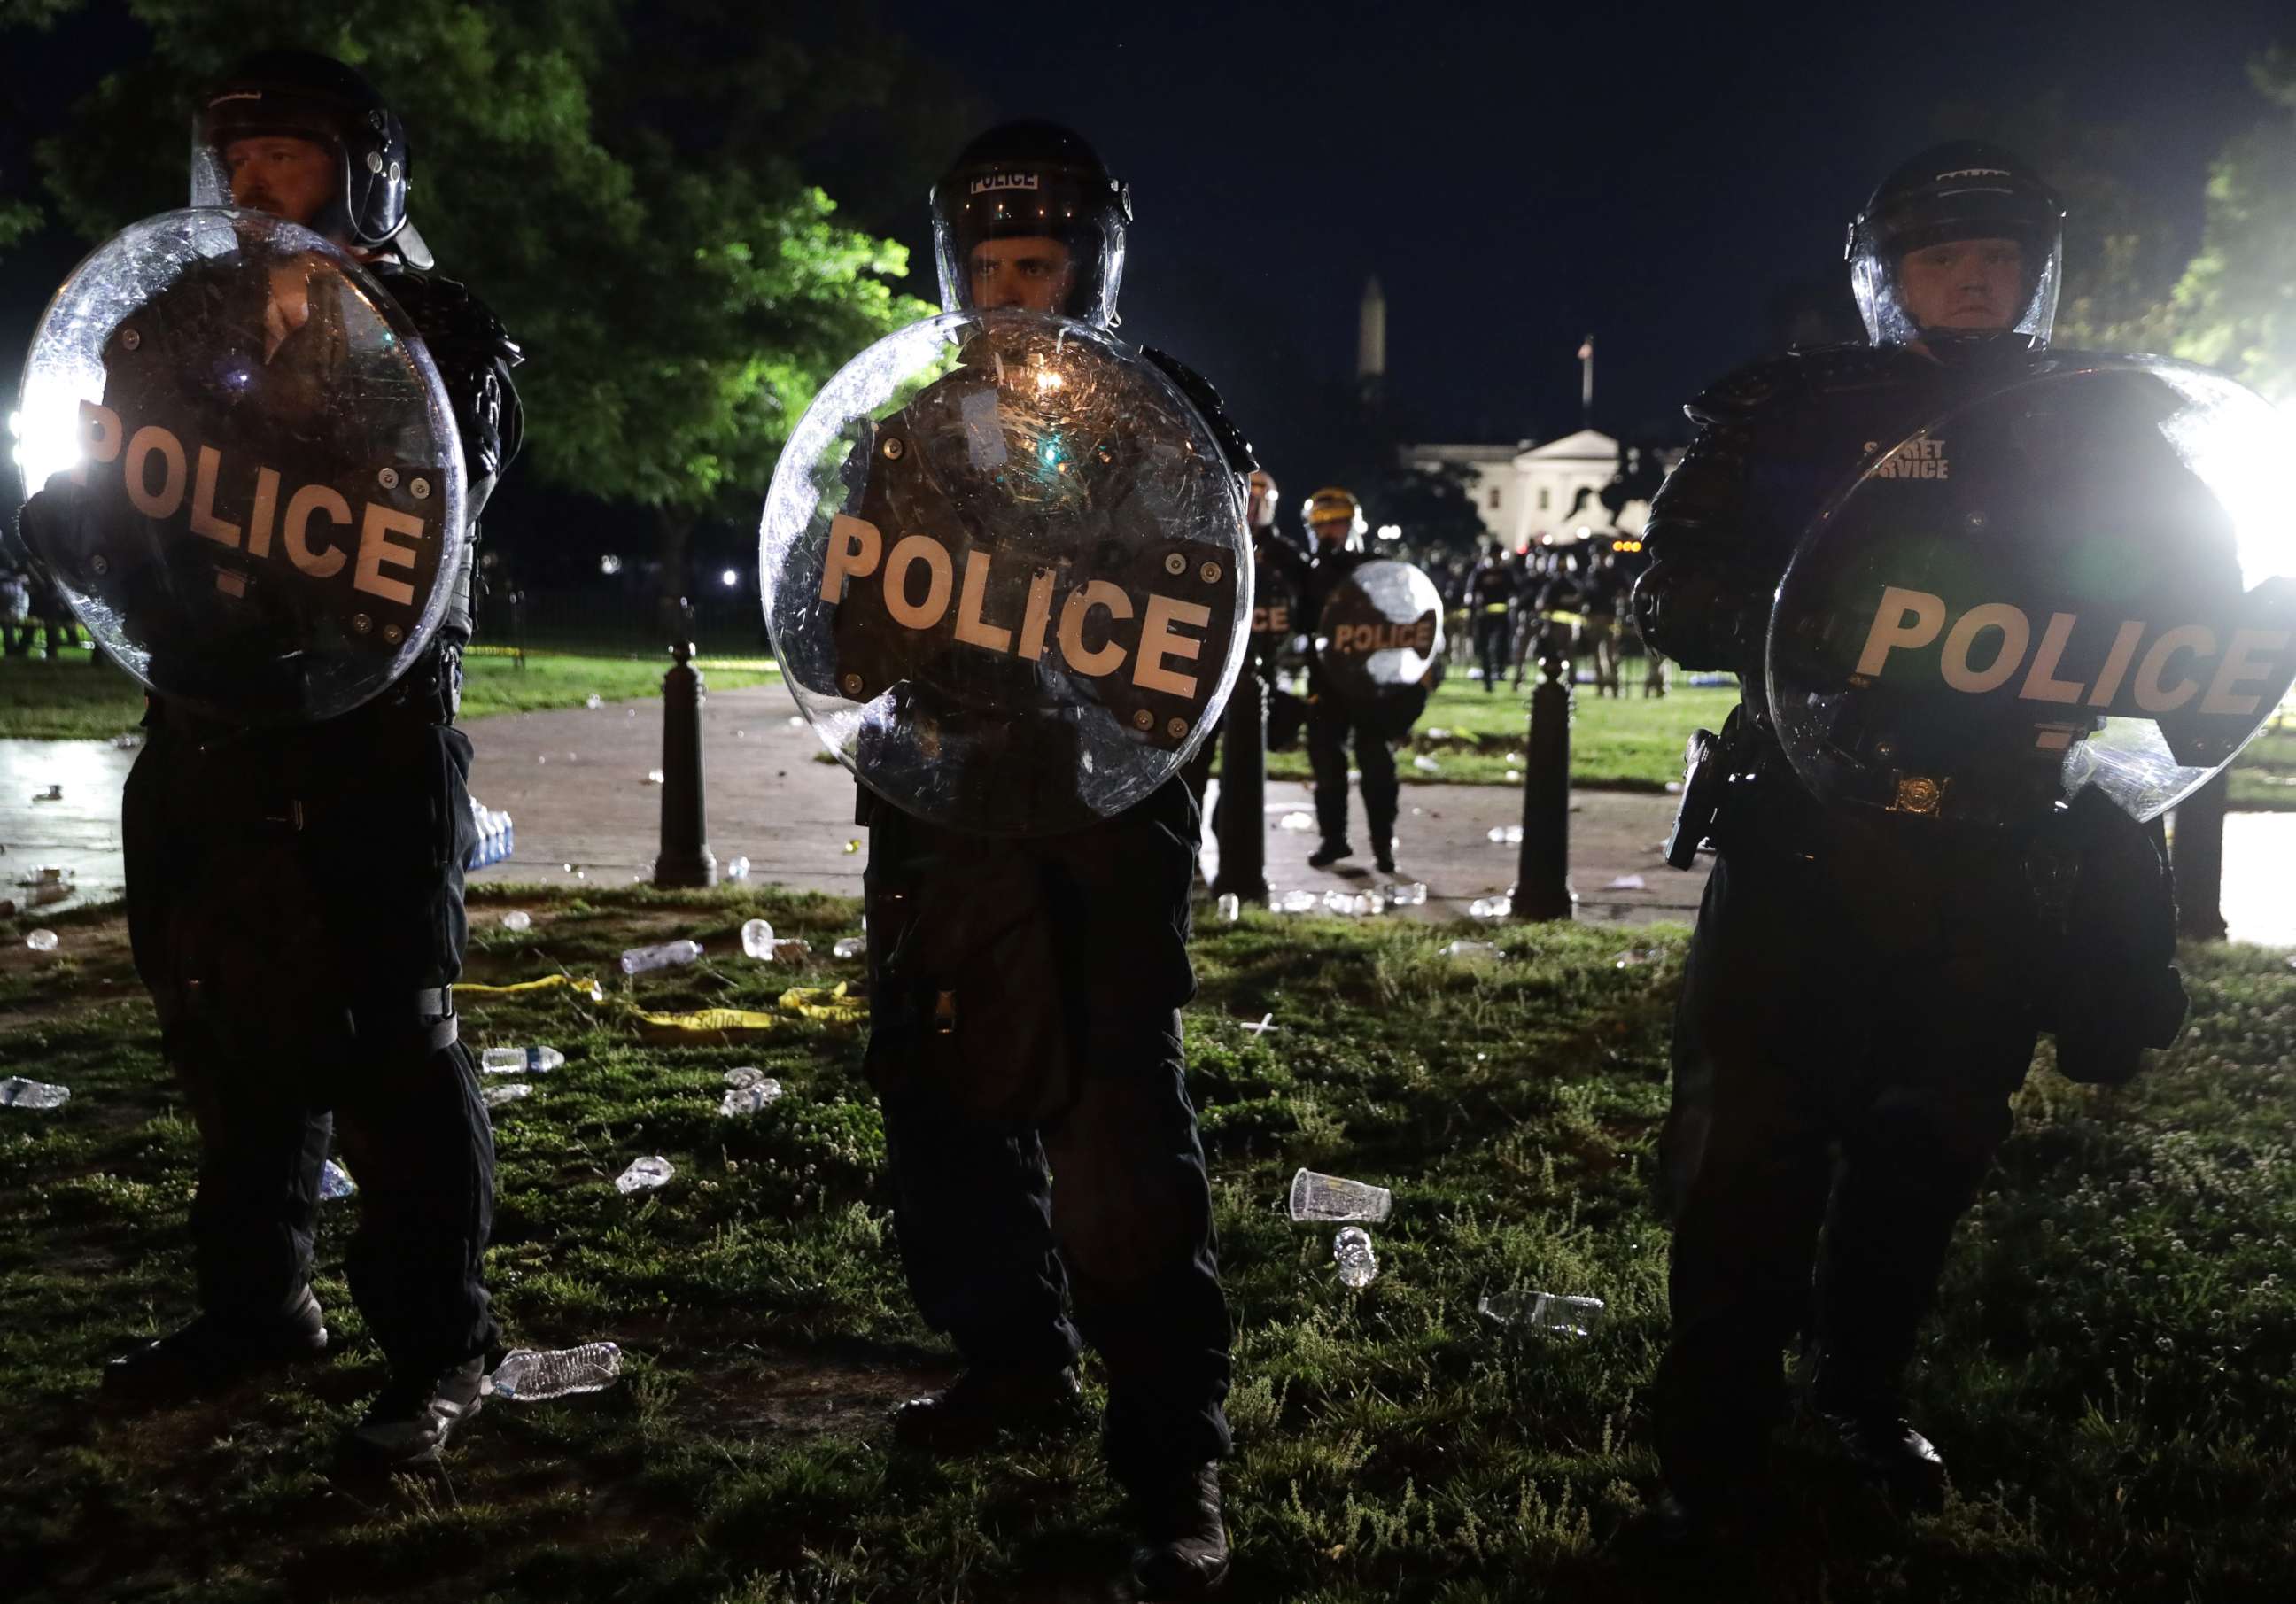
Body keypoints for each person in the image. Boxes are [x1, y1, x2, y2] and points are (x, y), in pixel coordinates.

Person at [1631, 143, 2187, 1540]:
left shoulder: (2112, 422)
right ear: (1889, 274)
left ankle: (1862, 1391)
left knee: (1930, 1133)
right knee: (1750, 1137)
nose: (1974, 277)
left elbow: (2187, 607)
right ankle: (1717, 1416)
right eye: (1943, 256)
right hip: (1807, 828)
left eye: (1998, 255)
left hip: (2005, 837)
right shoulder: (1796, 409)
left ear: (2037, 269)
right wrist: (1815, 618)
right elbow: (1672, 592)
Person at [24, 50, 524, 1466]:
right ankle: (257, 1303)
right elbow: (108, 489)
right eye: (235, 159)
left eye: (287, 159)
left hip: (368, 735)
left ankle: (440, 1344)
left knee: (392, 1048)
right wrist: (65, 530)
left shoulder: (434, 324)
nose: (253, 185)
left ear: (360, 170)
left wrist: (317, 341)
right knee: (223, 1025)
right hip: (202, 721)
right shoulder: (174, 311)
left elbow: (428, 507)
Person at [859, 120, 1241, 1598]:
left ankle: (1170, 1458)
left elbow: (1195, 619)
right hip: (940, 804)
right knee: (939, 1088)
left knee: (1113, 1132)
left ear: (1094, 266)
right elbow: (846, 602)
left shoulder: (1164, 411)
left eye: (1045, 259)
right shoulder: (910, 413)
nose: (1019, 285)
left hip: (1097, 813)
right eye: (994, 261)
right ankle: (1008, 1360)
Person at [1270, 487, 1400, 871]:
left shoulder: (1375, 568)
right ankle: (1333, 839)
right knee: (1326, 764)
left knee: (1376, 764)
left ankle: (1382, 844)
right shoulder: (1309, 573)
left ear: (1352, 525)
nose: (1329, 533)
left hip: (1369, 682)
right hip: (1325, 683)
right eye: (1321, 526)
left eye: (1336, 524)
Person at [1466, 539, 1516, 692]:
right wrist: (1473, 609)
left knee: (1502, 646)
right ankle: (1488, 679)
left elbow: (1515, 591)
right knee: (1485, 648)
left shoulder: (1506, 573)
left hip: (1502, 616)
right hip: (1485, 616)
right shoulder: (1480, 573)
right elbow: (1471, 594)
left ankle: (1500, 670)